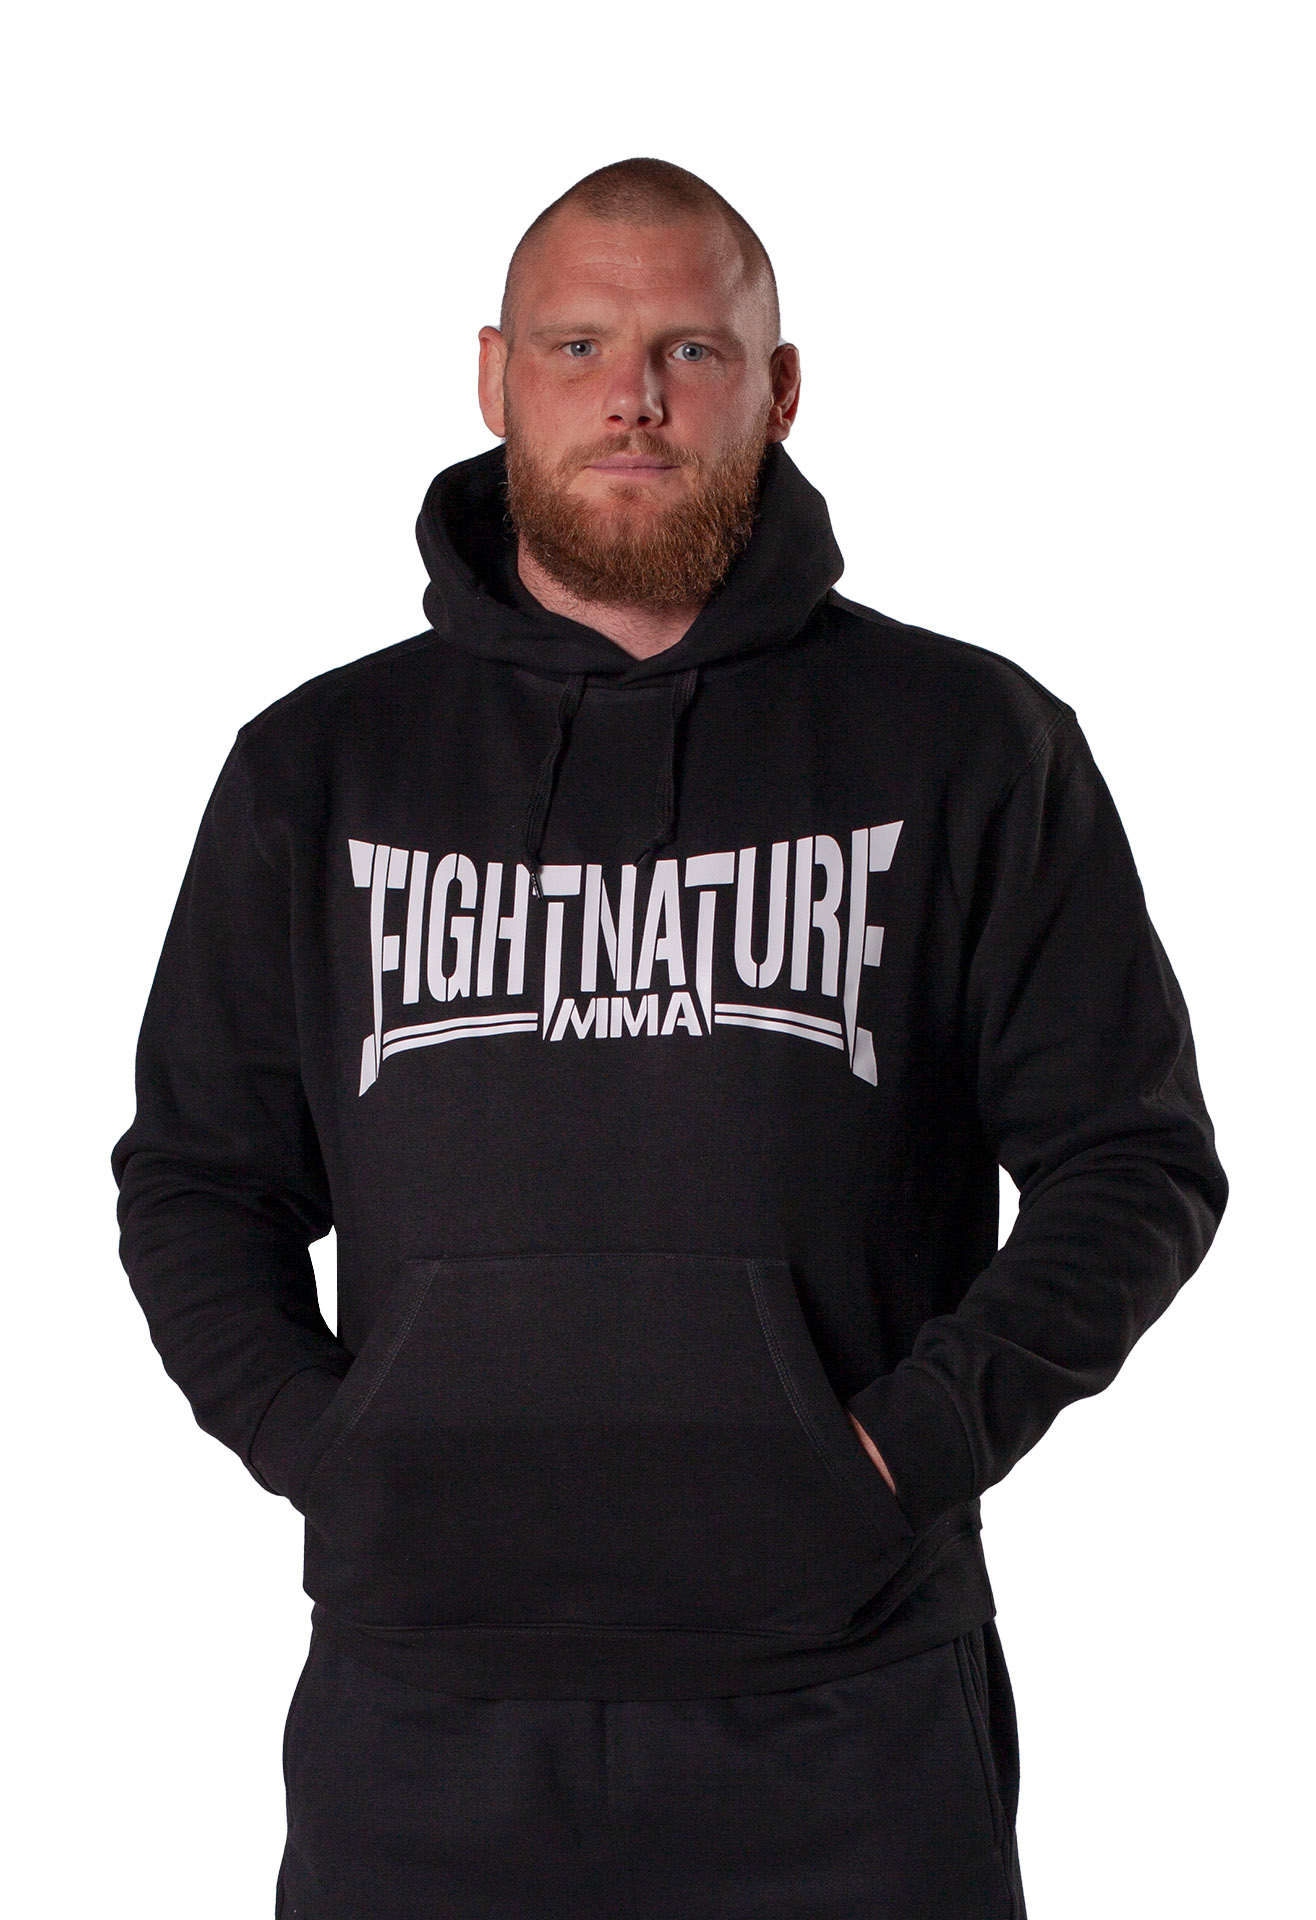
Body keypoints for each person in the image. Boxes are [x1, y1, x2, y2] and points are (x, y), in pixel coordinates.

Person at [112, 156, 1228, 1919]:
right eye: (578, 346)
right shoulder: (316, 769)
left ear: (778, 389)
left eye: (690, 352)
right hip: (425, 1712)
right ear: (495, 379)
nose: (632, 397)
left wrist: (902, 1452)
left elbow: (1133, 1161)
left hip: (849, 1707)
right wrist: (333, 1455)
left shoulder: (968, 742)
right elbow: (196, 1180)